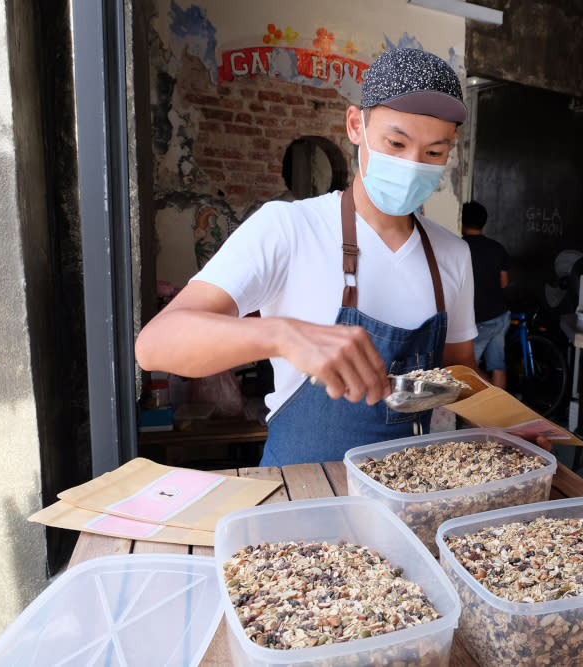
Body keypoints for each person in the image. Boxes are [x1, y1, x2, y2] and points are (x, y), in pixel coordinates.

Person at [135, 48, 480, 465]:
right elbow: (156, 345)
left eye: (433, 153)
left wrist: (507, 431)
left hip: (408, 494)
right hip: (301, 498)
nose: (412, 164)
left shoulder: (452, 255)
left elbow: (463, 378)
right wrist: (283, 335)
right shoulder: (289, 228)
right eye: (396, 142)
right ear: (357, 125)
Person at [461, 201, 510, 389]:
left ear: (462, 222)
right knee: (498, 365)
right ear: (484, 224)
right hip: (500, 315)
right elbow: (504, 282)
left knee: (468, 369)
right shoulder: (497, 248)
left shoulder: (459, 248)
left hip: (479, 319)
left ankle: (481, 412)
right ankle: (499, 412)